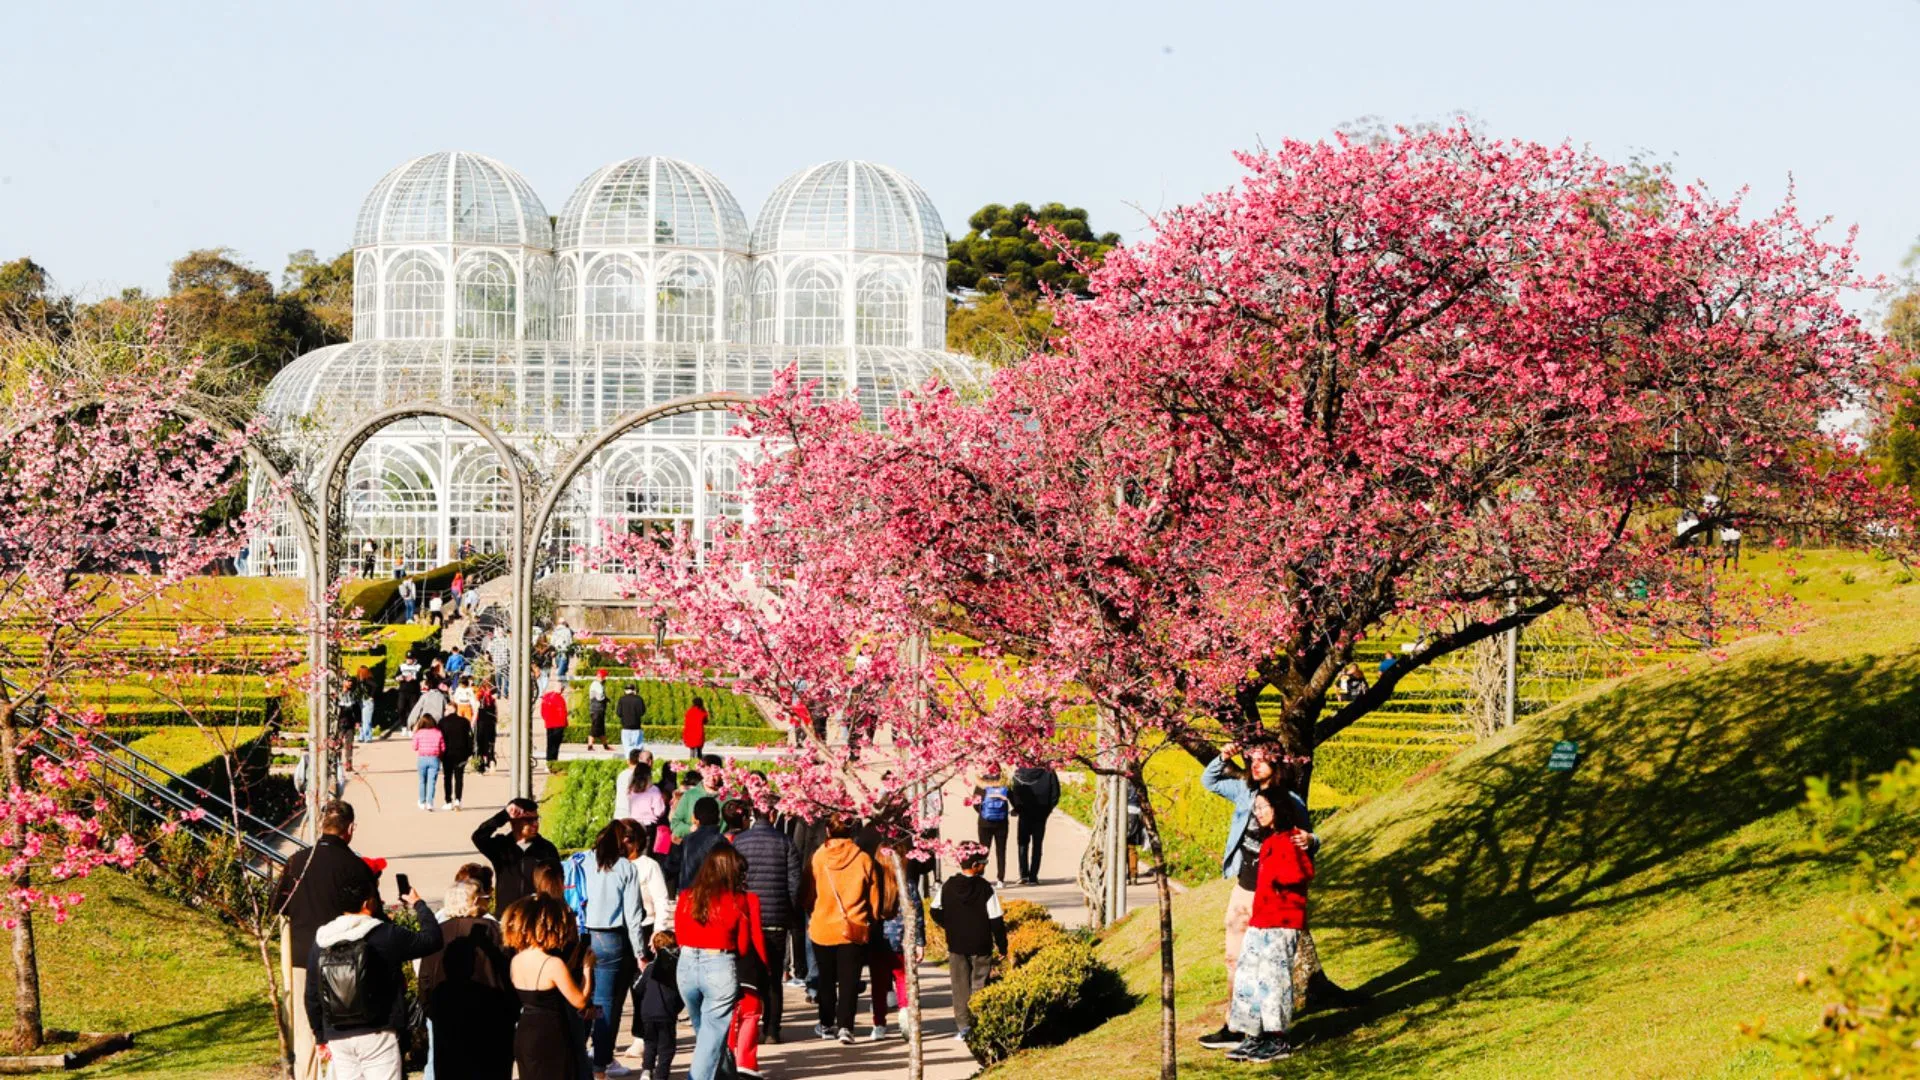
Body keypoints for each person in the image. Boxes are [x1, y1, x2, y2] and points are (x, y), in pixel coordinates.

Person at [1195, 744, 1335, 1051]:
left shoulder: (1290, 801)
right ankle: (1235, 1025)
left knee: (1266, 966)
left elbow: (1306, 841)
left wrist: (1313, 839)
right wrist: (1223, 757)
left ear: (1277, 763)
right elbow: (1209, 781)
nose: (1255, 765)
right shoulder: (1244, 792)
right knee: (1235, 959)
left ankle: (1265, 1031)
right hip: (1244, 887)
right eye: (1252, 759)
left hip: (1271, 893)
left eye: (1262, 760)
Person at [272, 800, 378, 1075]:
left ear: (321, 825)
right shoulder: (355, 866)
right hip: (344, 961)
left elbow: (277, 905)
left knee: (305, 1033)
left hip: (301, 957)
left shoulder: (297, 862)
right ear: (350, 828)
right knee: (342, 1033)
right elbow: (373, 914)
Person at [306, 875, 443, 1080]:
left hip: (337, 1034)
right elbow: (432, 939)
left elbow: (312, 992)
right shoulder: (384, 933)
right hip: (379, 1032)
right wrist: (418, 904)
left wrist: (320, 1036)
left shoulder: (322, 939)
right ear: (366, 903)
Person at [1225, 788, 1315, 1063]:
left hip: (1283, 921)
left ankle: (1277, 1039)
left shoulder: (1292, 838)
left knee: (1273, 979)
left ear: (1278, 808)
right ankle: (1254, 1035)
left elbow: (1304, 872)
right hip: (1261, 920)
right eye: (1257, 808)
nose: (1259, 813)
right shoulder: (1270, 841)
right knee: (1248, 976)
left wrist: (1279, 876)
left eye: (1264, 807)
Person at [674, 843, 768, 1080]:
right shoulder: (737, 900)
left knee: (707, 1033)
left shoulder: (687, 896)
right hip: (719, 963)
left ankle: (724, 1073)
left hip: (686, 965)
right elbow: (743, 946)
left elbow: (680, 935)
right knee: (711, 1035)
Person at [417, 871, 515, 1080]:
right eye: (485, 898)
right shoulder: (495, 931)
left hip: (448, 1020)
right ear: (476, 902)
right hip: (492, 1020)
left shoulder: (437, 934)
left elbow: (425, 980)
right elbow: (511, 974)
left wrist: (433, 1011)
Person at [801, 816, 883, 1044]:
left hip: (823, 925)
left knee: (826, 979)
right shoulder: (863, 858)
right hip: (853, 925)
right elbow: (874, 896)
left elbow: (807, 891)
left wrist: (811, 909)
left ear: (828, 831)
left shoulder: (818, 857)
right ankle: (846, 1027)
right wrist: (872, 918)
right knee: (850, 981)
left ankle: (826, 1023)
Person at [581, 821, 653, 1076]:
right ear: (622, 842)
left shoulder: (582, 861)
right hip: (611, 938)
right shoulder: (625, 868)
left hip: (584, 935)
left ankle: (578, 1056)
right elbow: (633, 916)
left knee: (582, 997)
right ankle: (601, 1064)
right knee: (605, 1003)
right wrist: (640, 953)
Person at [729, 802, 800, 1045]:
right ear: (772, 814)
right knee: (773, 976)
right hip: (776, 918)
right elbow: (794, 883)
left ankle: (747, 1023)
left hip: (747, 918)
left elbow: (733, 878)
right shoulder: (785, 842)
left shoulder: (739, 842)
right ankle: (771, 1028)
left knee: (747, 975)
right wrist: (790, 912)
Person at [504, 894, 593, 1080]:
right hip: (551, 1033)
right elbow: (580, 1001)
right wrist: (587, 968)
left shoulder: (516, 960)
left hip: (525, 1030)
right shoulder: (553, 964)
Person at [931, 844, 1007, 1044]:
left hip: (957, 944)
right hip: (981, 944)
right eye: (984, 863)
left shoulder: (948, 886)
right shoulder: (985, 888)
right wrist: (1002, 945)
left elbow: (934, 910)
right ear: (975, 866)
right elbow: (996, 919)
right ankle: (980, 1023)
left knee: (960, 987)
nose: (985, 866)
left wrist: (950, 925)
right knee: (980, 984)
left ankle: (964, 1027)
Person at [473, 797, 562, 910]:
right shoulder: (501, 846)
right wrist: (504, 815)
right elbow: (478, 837)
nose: (535, 824)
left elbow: (556, 884)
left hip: (536, 914)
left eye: (536, 819)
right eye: (529, 820)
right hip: (506, 914)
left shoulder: (547, 849)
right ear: (514, 821)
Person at [866, 844, 909, 1040]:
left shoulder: (873, 885)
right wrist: (919, 942)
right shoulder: (906, 885)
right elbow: (916, 914)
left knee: (878, 985)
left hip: (878, 940)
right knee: (902, 980)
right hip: (900, 940)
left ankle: (879, 1024)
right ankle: (905, 1012)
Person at [634, 930, 683, 1080]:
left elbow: (638, 988)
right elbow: (682, 992)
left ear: (654, 948)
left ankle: (646, 1070)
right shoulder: (677, 968)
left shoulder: (649, 968)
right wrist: (676, 1008)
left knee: (650, 1043)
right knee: (666, 1048)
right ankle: (661, 1076)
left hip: (648, 1013)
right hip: (666, 1013)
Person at [1010, 765, 1060, 886]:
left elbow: (1014, 792)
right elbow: (1055, 794)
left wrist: (1018, 808)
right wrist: (1047, 810)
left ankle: (1024, 875)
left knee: (1022, 844)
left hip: (1024, 813)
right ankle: (1033, 876)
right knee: (1037, 845)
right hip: (1041, 813)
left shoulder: (1019, 771)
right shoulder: (1048, 771)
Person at [972, 767, 1013, 886]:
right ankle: (1000, 879)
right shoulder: (1004, 785)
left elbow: (975, 804)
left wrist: (983, 813)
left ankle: (980, 875)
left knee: (983, 850)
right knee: (1001, 851)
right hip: (1002, 822)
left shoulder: (981, 785)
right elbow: (1014, 799)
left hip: (984, 823)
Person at [678, 797, 724, 893]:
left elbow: (672, 865)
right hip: (713, 894)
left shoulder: (687, 840)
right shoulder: (722, 841)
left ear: (695, 818)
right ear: (718, 817)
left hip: (689, 895)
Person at [670, 761, 716, 843]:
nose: (712, 778)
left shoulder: (727, 797)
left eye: (715, 773)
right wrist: (690, 829)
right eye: (708, 773)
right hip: (691, 843)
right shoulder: (689, 794)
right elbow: (675, 822)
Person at [439, 702, 473, 811]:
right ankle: (458, 799)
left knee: (447, 777)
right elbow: (470, 738)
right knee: (459, 777)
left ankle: (448, 801)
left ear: (450, 709)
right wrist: (469, 753)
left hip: (447, 754)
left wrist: (439, 753)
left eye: (446, 709)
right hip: (461, 754)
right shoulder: (464, 722)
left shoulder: (442, 722)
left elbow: (440, 739)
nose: (445, 711)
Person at [413, 714, 444, 812]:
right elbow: (443, 747)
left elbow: (414, 747)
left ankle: (422, 801)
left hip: (422, 758)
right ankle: (430, 803)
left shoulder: (419, 733)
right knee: (432, 782)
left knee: (422, 781)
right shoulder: (438, 733)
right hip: (434, 759)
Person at [473, 681, 499, 775]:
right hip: (490, 723)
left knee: (479, 745)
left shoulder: (479, 696)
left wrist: (472, 722)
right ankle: (491, 761)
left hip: (480, 724)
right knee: (490, 744)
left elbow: (475, 711)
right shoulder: (492, 698)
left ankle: (480, 767)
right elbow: (496, 712)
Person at [542, 684, 571, 766]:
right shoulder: (560, 699)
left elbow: (543, 711)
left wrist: (546, 719)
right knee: (555, 744)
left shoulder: (546, 696)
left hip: (549, 723)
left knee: (550, 743)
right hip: (558, 724)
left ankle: (549, 760)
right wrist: (565, 723)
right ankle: (553, 761)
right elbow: (563, 712)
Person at [617, 683, 648, 754]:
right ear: (634, 690)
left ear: (625, 690)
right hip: (637, 727)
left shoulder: (622, 699)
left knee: (627, 747)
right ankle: (637, 759)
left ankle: (629, 759)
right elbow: (642, 712)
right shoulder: (639, 699)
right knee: (637, 747)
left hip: (625, 727)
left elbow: (619, 713)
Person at [587, 669, 611, 752]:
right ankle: (590, 746)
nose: (605, 679)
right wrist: (606, 699)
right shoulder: (596, 685)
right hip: (597, 709)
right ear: (602, 677)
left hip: (598, 709)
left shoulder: (597, 684)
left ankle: (606, 746)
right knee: (595, 727)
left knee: (601, 728)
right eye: (605, 677)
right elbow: (600, 697)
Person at [487, 629, 513, 700]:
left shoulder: (493, 641)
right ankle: (505, 693)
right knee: (506, 678)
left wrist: (491, 659)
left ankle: (498, 694)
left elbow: (488, 651)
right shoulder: (507, 640)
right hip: (505, 662)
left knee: (498, 679)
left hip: (497, 663)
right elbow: (511, 650)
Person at [682, 695, 708, 760]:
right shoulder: (702, 711)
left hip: (690, 732)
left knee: (692, 748)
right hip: (699, 732)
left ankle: (691, 760)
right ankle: (699, 761)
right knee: (699, 749)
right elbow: (705, 721)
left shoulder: (689, 711)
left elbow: (686, 721)